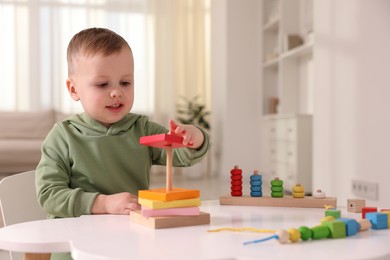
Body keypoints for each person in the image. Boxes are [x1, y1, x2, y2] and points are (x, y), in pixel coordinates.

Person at [35, 27, 209, 260]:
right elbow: (49, 195)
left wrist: (194, 137)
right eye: (102, 85)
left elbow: (179, 155)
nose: (116, 92)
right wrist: (103, 204)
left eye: (125, 83)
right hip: (76, 245)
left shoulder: (142, 128)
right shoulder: (63, 136)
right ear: (74, 89)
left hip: (131, 241)